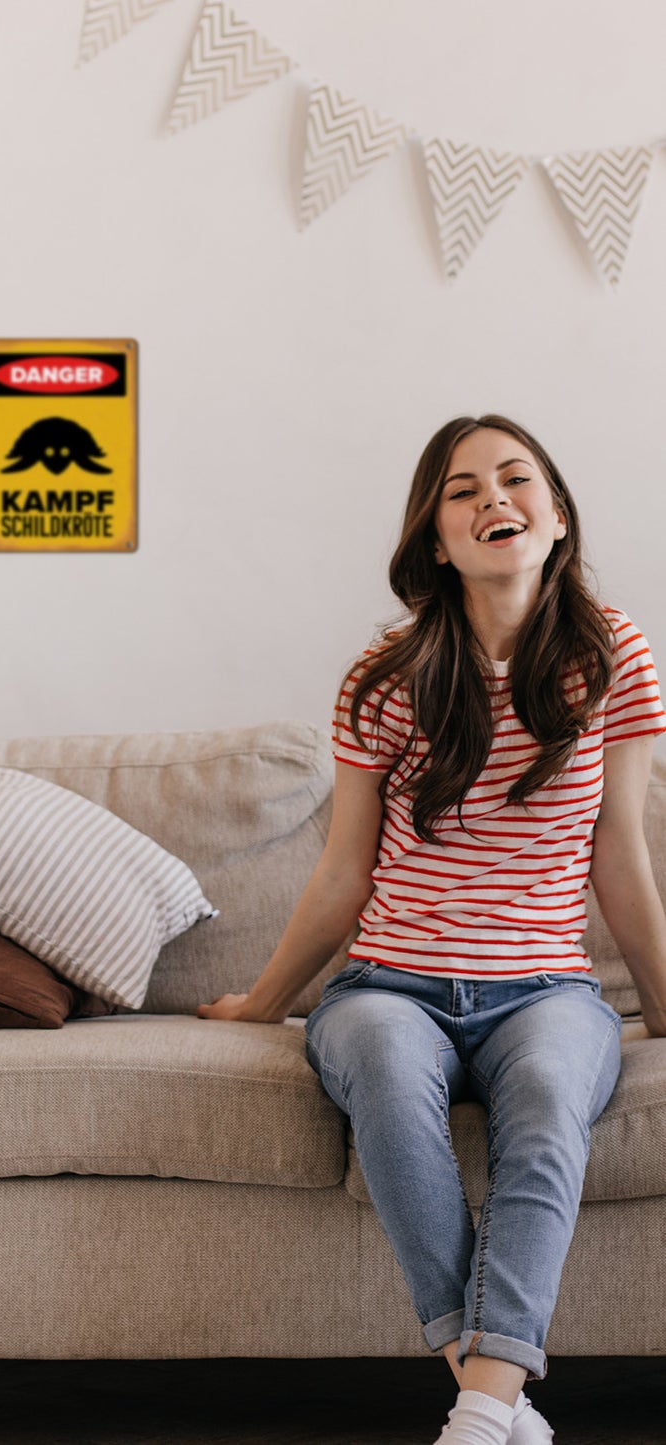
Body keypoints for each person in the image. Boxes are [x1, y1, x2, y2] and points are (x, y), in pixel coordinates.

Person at [197, 415, 666, 1445]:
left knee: (547, 1097)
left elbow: (617, 852)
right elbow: (343, 871)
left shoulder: (611, 653)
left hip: (544, 990)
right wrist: (263, 1003)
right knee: (379, 1071)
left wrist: (665, 1009)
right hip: (385, 984)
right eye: (462, 489)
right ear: (434, 537)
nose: (492, 498)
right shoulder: (385, 670)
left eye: (514, 478)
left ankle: (479, 1408)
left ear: (553, 518)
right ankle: (494, 1397)